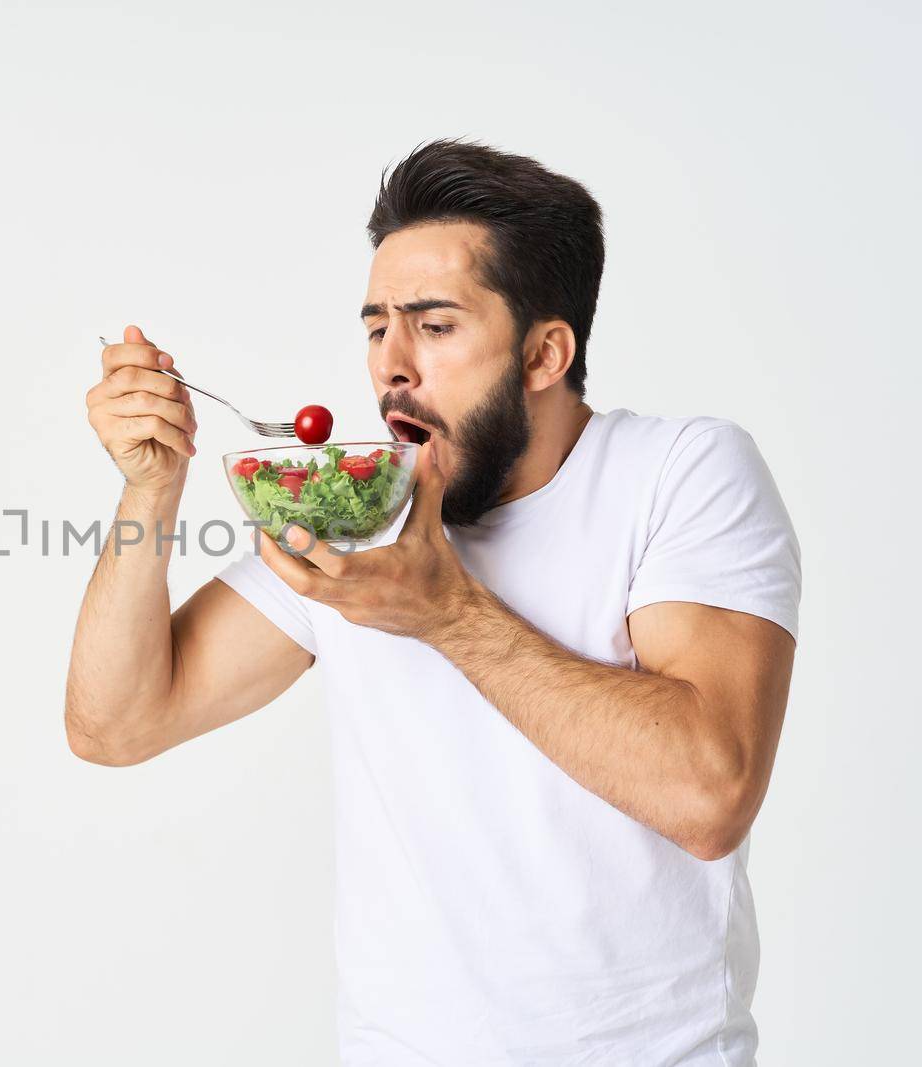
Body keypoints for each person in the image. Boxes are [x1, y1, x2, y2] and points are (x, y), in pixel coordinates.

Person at [66, 140, 801, 1065]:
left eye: (435, 325)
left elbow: (712, 791)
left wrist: (447, 612)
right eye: (377, 327)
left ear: (545, 351)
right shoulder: (359, 509)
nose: (390, 367)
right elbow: (116, 723)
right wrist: (151, 489)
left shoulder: (679, 473)